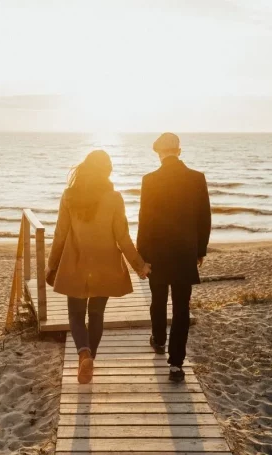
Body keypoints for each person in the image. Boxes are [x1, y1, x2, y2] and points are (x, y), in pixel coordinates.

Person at [46, 150, 151, 384]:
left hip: (75, 262)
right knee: (96, 314)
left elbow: (60, 234)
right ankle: (90, 357)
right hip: (105, 264)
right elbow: (122, 238)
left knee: (75, 313)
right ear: (107, 172)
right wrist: (139, 265)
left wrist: (51, 265)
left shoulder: (69, 196)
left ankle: (83, 352)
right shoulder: (114, 198)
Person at [137, 133, 211, 382]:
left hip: (157, 253)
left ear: (159, 153)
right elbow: (204, 218)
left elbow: (144, 221)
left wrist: (142, 256)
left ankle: (158, 341)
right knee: (181, 308)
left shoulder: (150, 180)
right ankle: (176, 364)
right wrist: (200, 250)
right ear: (179, 151)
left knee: (158, 300)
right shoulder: (196, 178)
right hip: (184, 252)